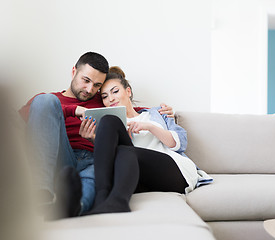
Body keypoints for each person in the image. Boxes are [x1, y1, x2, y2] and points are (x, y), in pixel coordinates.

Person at [19, 52, 174, 218]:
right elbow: (32, 114)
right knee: (46, 101)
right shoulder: (51, 100)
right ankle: (43, 197)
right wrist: (74, 110)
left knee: (95, 178)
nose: (89, 89)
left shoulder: (102, 100)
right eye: (86, 80)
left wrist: (161, 112)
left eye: (97, 85)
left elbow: (130, 111)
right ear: (74, 72)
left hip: (96, 159)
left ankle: (73, 207)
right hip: (62, 155)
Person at [79, 68, 212, 215]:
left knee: (126, 151)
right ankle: (101, 198)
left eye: (115, 91)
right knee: (110, 122)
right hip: (138, 174)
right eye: (105, 96)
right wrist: (94, 140)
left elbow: (179, 143)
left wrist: (148, 126)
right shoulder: (111, 126)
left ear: (128, 92)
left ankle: (117, 201)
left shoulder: (155, 114)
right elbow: (112, 160)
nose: (110, 99)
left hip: (175, 172)